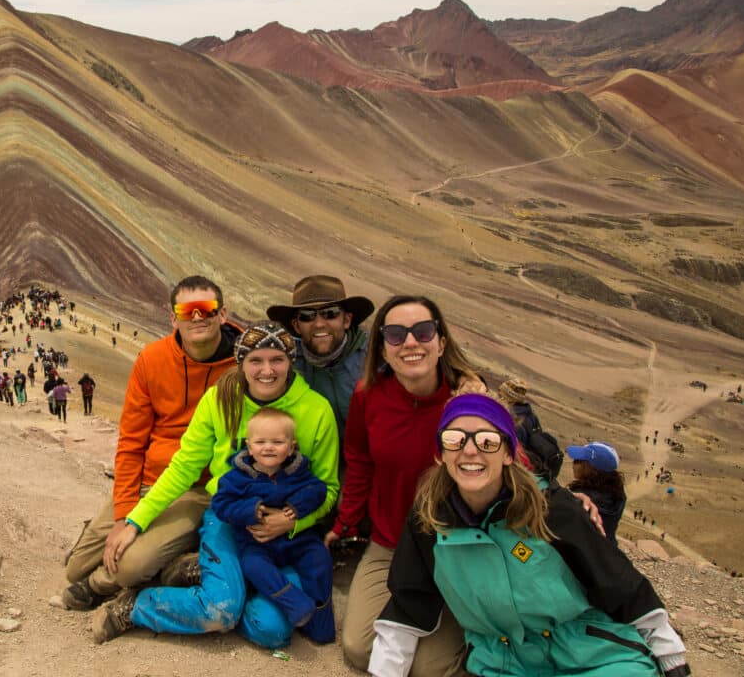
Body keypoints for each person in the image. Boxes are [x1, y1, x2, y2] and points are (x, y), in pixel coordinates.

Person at [370, 393, 689, 677]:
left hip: (592, 655)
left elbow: (618, 583)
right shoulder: (428, 523)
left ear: (508, 453)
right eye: (455, 440)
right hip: (502, 661)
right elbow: (408, 605)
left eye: (487, 441)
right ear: (440, 454)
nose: (470, 451)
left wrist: (670, 655)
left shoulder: (551, 509)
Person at [92, 321, 339, 649]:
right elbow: (184, 466)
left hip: (289, 535)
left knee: (272, 630)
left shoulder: (316, 410)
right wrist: (136, 520)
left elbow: (328, 488)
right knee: (220, 611)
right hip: (228, 517)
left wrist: (292, 521)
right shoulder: (219, 400)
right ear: (241, 363)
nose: (267, 370)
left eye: (277, 359)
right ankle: (135, 606)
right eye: (255, 360)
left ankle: (215, 581)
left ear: (290, 361)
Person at [60, 276, 240, 612]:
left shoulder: (245, 366)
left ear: (223, 314)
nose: (197, 317)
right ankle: (134, 546)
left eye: (206, 309)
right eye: (188, 310)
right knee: (74, 569)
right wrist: (125, 515)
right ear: (173, 318)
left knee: (128, 566)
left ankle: (116, 580)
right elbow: (131, 441)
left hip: (195, 487)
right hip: (149, 480)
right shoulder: (153, 359)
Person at [325, 295, 482, 676]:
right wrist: (345, 523)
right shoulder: (368, 397)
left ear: (441, 342)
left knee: (429, 669)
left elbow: (510, 463)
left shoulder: (467, 401)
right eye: (395, 335)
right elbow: (360, 463)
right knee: (360, 650)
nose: (410, 342)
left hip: (456, 548)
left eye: (422, 331)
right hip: (390, 543)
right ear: (382, 347)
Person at [210, 408, 336, 643]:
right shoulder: (236, 478)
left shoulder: (298, 472)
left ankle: (319, 621)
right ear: (249, 445)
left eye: (278, 442)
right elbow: (221, 505)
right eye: (260, 442)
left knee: (319, 557)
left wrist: (297, 507)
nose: (268, 447)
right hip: (256, 543)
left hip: (297, 540)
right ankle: (295, 604)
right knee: (252, 565)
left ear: (291, 446)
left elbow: (318, 490)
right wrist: (249, 510)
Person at [266, 275, 375, 446]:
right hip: (313, 463)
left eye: (330, 313)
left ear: (346, 320)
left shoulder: (376, 358)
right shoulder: (284, 364)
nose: (319, 324)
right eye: (307, 316)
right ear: (296, 325)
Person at [566, 441, 627, 541]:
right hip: (606, 548)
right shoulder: (618, 494)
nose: (573, 464)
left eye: (578, 461)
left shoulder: (581, 499)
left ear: (589, 468)